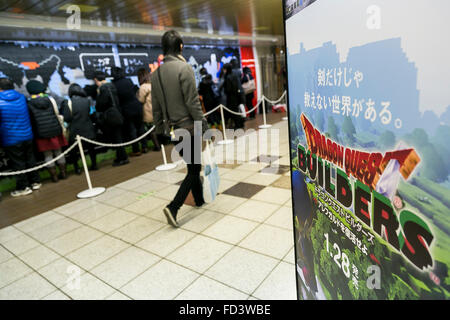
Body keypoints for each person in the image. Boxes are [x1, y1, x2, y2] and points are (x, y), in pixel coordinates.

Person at [151, 30, 206, 227]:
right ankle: (173, 207)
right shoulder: (184, 68)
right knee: (193, 170)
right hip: (189, 127)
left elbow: (156, 108)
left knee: (192, 165)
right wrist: (204, 125)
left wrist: (159, 131)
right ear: (180, 46)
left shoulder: (155, 75)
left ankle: (199, 200)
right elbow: (192, 103)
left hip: (172, 130)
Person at [0, 78, 41, 196]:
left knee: (18, 163)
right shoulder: (22, 97)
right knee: (30, 159)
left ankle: (23, 187)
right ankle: (35, 181)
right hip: (27, 134)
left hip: (11, 138)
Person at [26, 79, 68, 182]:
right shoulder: (50, 99)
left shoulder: (29, 103)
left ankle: (54, 177)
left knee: (48, 155)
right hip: (55, 130)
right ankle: (63, 173)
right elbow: (58, 112)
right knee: (59, 152)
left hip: (41, 133)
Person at [94, 71, 129, 167]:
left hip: (110, 116)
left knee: (116, 138)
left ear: (97, 80)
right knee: (118, 137)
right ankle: (121, 156)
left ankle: (122, 158)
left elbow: (101, 104)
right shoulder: (112, 85)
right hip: (117, 113)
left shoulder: (103, 88)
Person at [61, 84, 97, 174]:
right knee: (91, 149)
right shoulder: (87, 101)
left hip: (75, 131)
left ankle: (77, 168)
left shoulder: (68, 103)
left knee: (74, 151)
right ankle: (94, 165)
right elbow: (90, 113)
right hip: (88, 128)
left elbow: (67, 118)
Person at [112, 67, 147, 156]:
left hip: (126, 110)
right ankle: (144, 146)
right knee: (140, 127)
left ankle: (136, 150)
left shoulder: (114, 84)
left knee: (132, 130)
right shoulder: (128, 80)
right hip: (137, 106)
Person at [137, 68, 161, 152]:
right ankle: (163, 142)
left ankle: (157, 146)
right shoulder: (153, 84)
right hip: (157, 109)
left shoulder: (143, 87)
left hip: (148, 110)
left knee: (151, 130)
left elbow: (141, 100)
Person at [221, 63, 246, 130]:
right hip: (236, 96)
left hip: (231, 98)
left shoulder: (228, 77)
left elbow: (228, 89)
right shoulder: (234, 75)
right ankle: (239, 124)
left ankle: (237, 125)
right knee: (236, 111)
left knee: (233, 112)